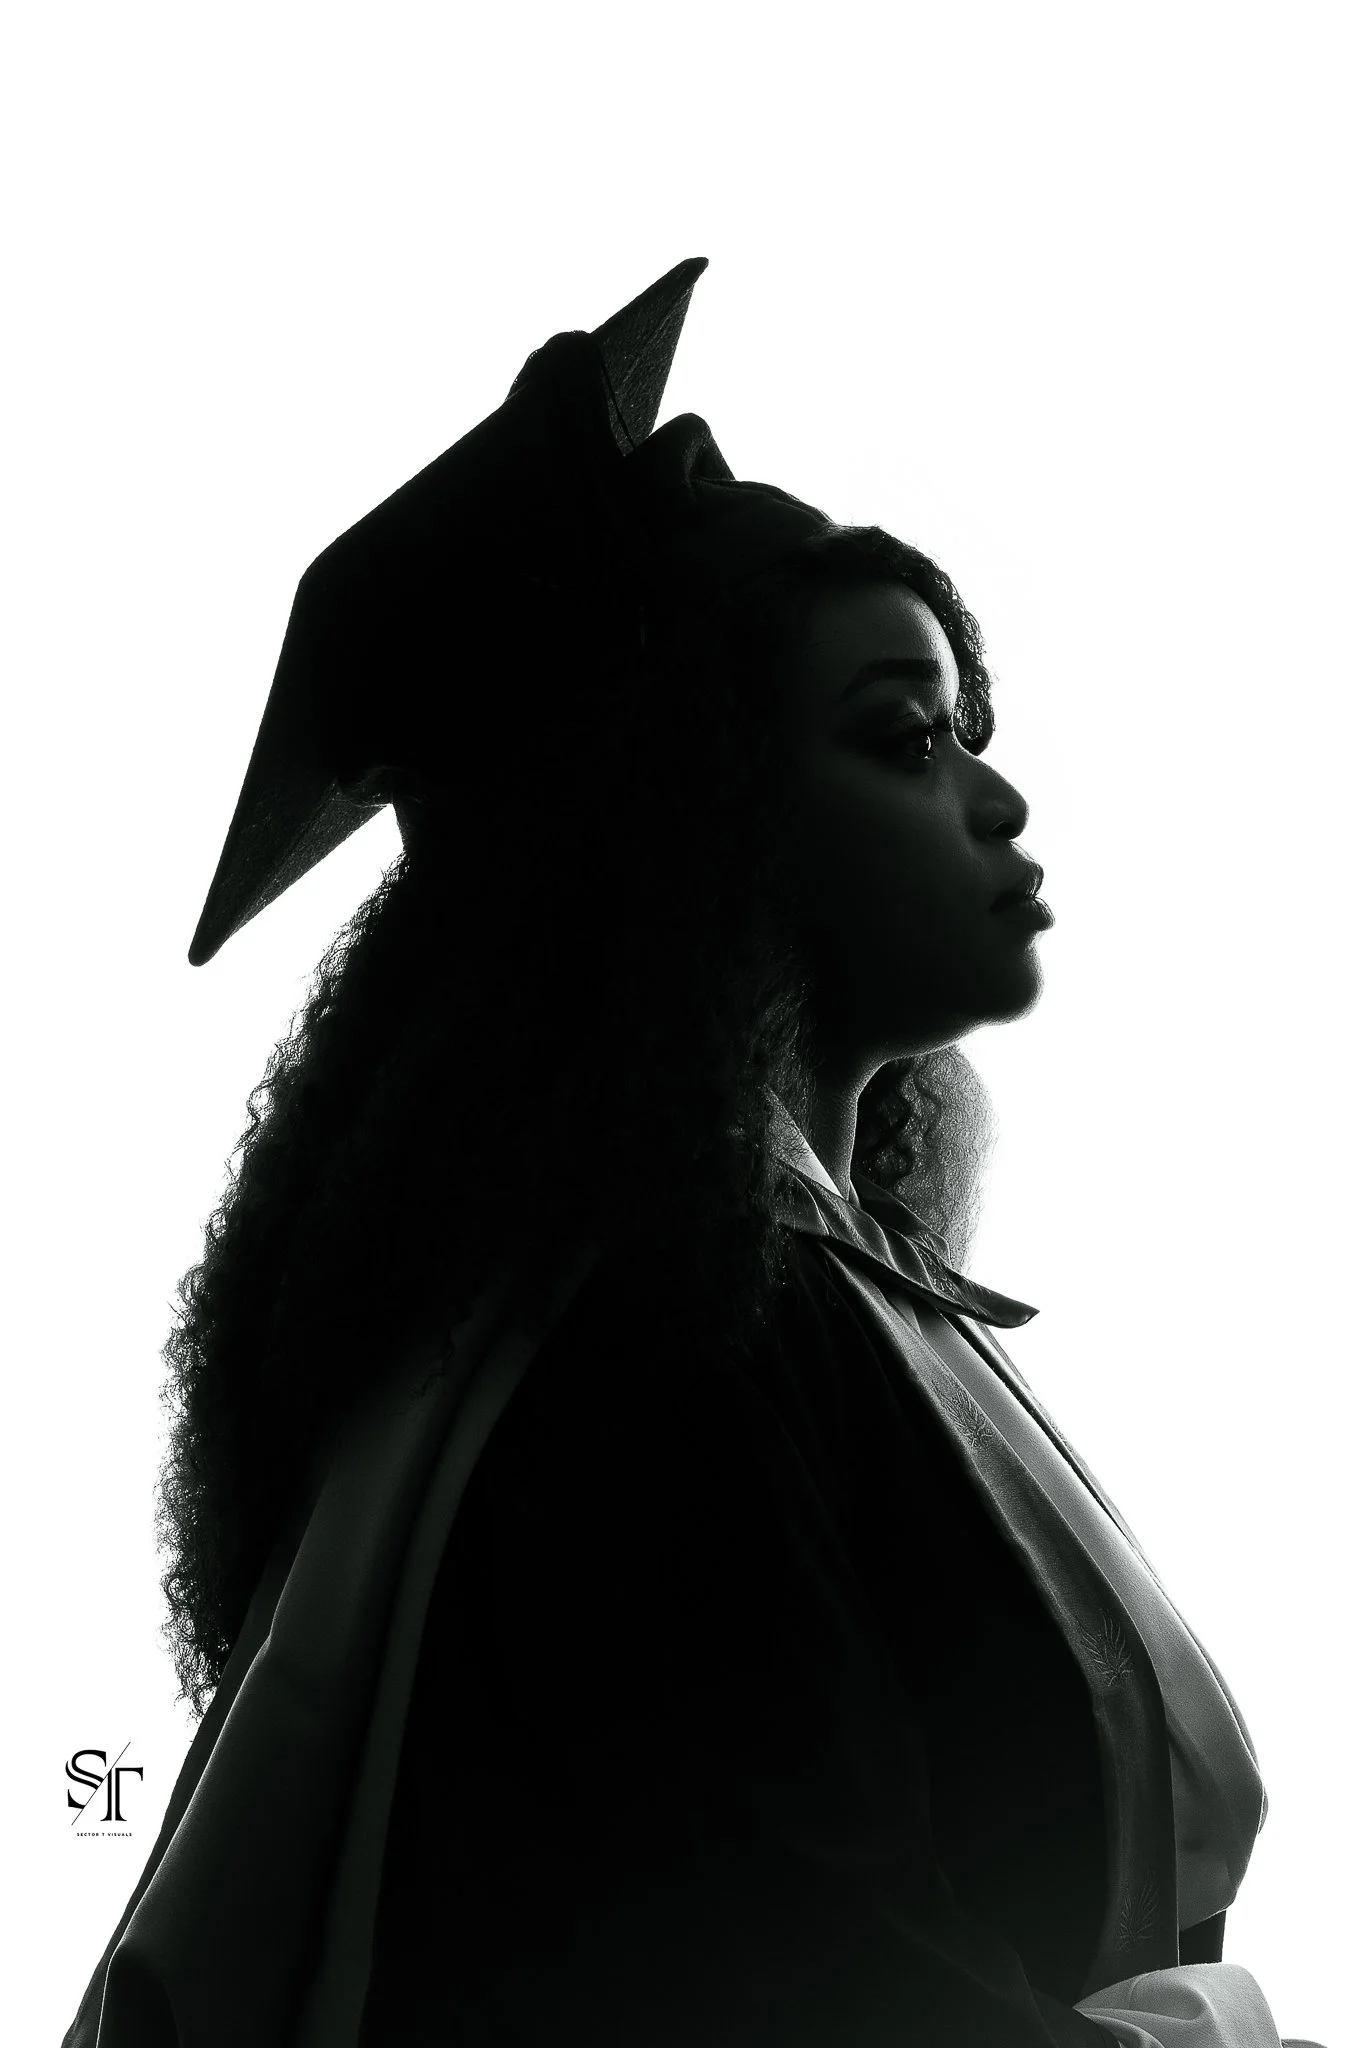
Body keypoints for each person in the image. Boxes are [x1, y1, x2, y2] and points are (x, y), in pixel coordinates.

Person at [61, 260, 1323, 2048]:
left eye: (972, 732)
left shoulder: (805, 1296)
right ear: (688, 829)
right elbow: (798, 1991)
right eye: (900, 734)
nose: (995, 795)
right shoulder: (648, 1346)